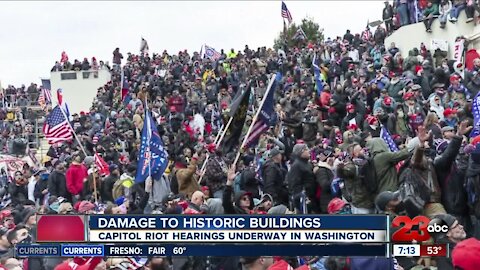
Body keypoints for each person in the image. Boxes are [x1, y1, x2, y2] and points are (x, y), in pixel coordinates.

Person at [287, 143, 320, 213]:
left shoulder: (307, 163)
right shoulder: (296, 166)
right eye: (306, 149)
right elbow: (294, 184)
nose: (308, 151)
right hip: (305, 200)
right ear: (300, 152)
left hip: (313, 197)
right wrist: (304, 195)